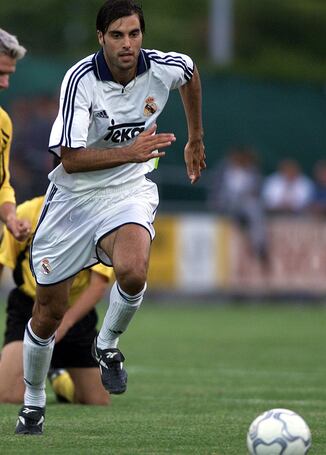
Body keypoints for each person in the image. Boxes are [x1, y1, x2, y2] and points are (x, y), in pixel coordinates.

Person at [15, 0, 205, 435]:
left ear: (143, 36)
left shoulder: (162, 68)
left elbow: (191, 74)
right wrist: (130, 151)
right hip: (72, 200)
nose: (127, 44)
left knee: (134, 270)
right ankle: (33, 399)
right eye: (117, 35)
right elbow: (68, 157)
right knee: (48, 312)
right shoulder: (80, 79)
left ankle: (108, 344)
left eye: (134, 34)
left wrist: (196, 137)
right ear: (100, 37)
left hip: (128, 190)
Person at [0, 195, 113, 406]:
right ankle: (16, 363)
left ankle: (58, 377)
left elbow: (98, 284)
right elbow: (2, 261)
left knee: (97, 401)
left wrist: (66, 324)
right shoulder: (28, 212)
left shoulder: (99, 218)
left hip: (74, 313)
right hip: (30, 307)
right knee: (8, 396)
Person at [209, 147, 268, 264]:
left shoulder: (252, 171)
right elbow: (216, 189)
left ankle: (259, 245)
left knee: (254, 209)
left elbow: (257, 191)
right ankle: (240, 221)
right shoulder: (223, 170)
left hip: (245, 203)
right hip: (227, 202)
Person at [0, 28, 31, 240]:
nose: (5, 83)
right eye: (0, 73)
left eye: (8, 75)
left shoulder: (3, 123)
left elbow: (2, 183)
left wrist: (11, 218)